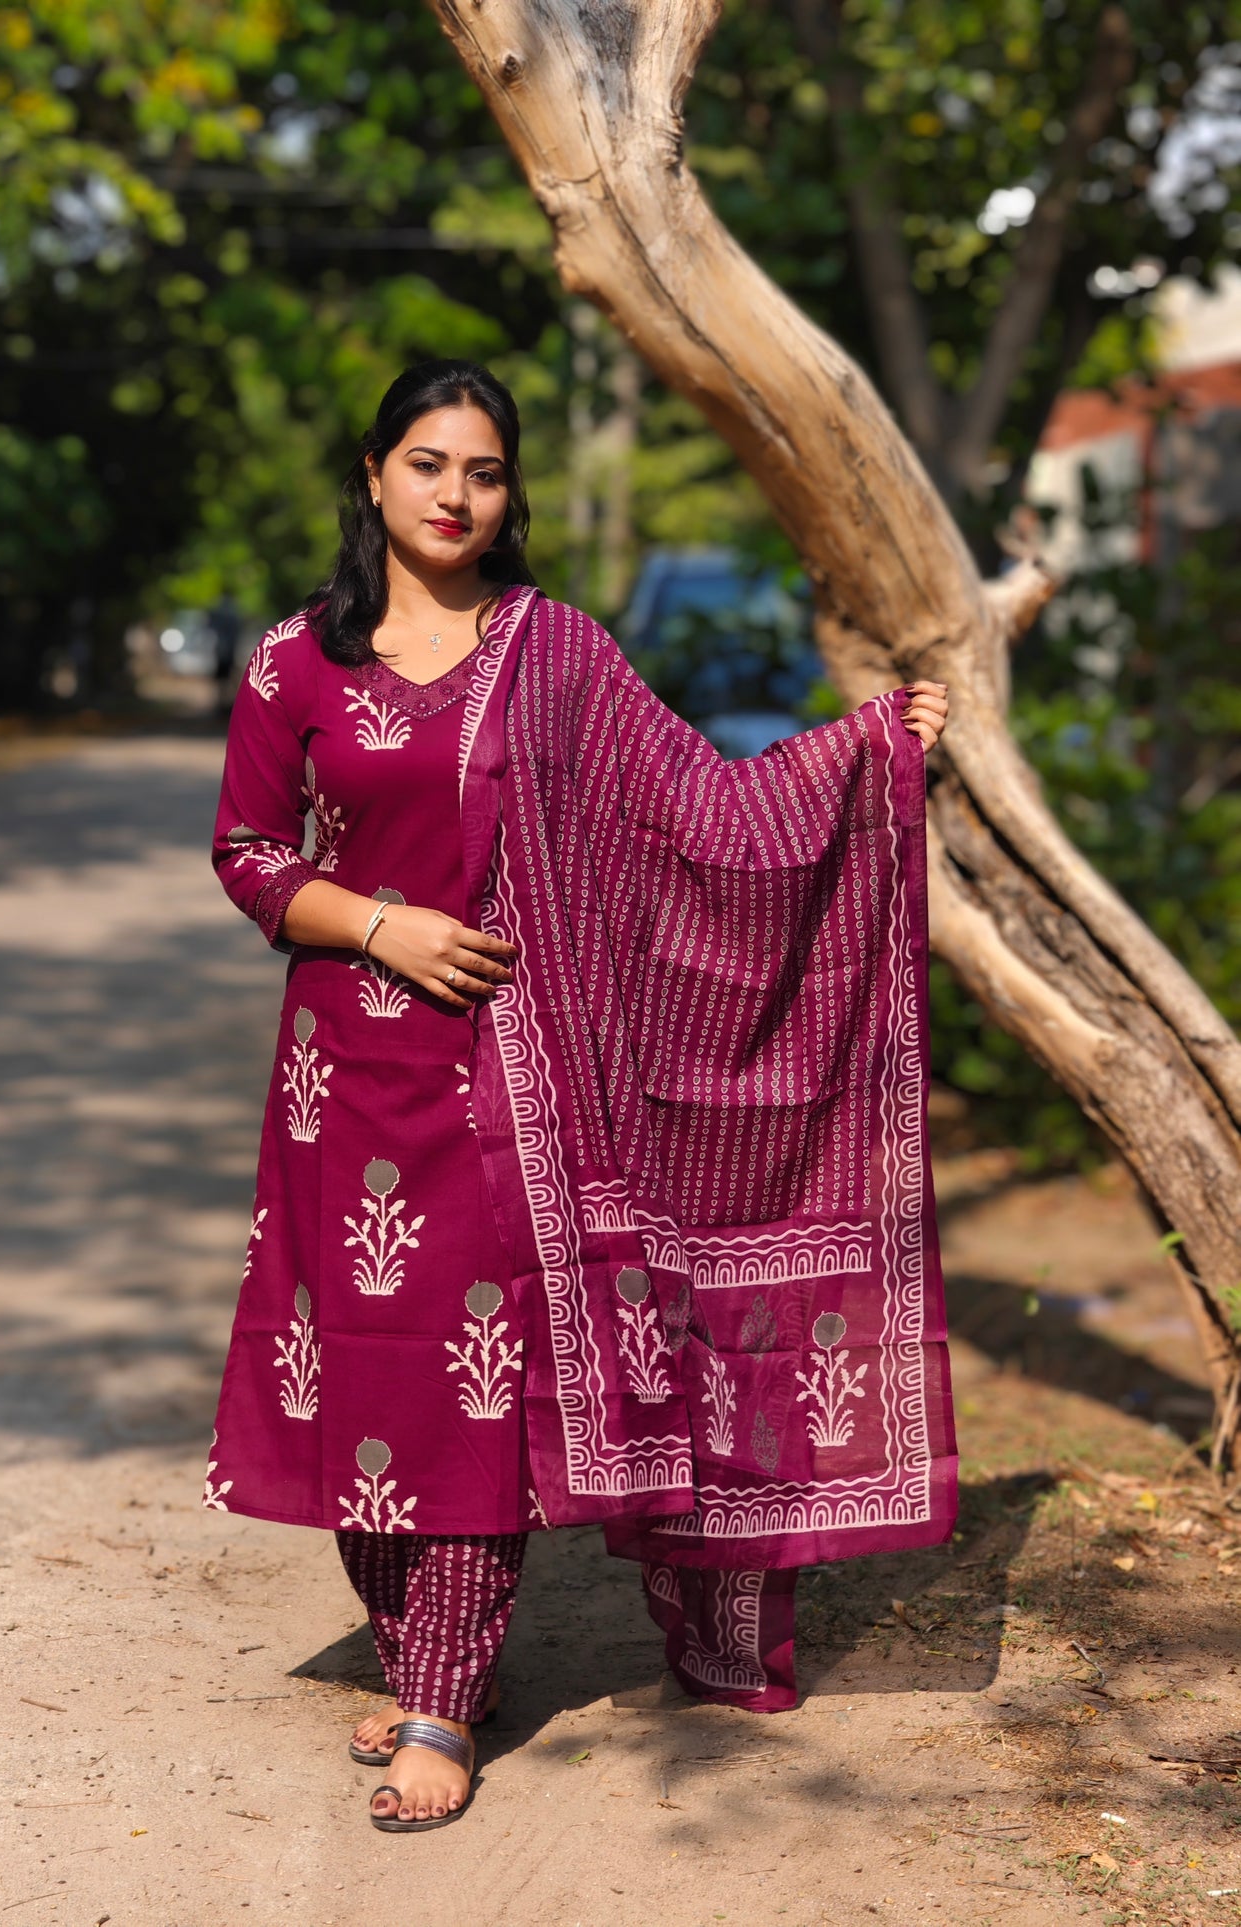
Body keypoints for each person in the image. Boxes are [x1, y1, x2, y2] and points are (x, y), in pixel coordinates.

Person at [205, 359, 953, 1834]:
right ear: (372, 476)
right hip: (337, 1080)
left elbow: (706, 807)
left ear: (510, 492)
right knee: (360, 1368)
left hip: (509, 1080)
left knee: (468, 1384)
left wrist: (867, 751)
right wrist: (378, 924)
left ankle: (438, 1705)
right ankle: (432, 1652)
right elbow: (245, 852)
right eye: (427, 464)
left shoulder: (558, 651)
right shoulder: (295, 662)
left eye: (482, 473)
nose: (454, 496)